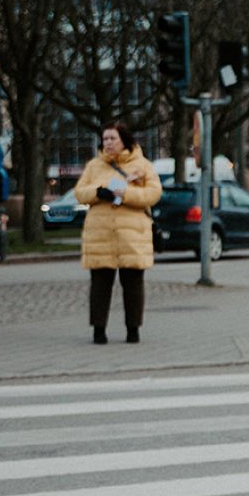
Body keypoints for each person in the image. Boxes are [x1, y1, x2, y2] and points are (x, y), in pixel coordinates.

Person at [74, 122, 162, 344]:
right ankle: (98, 330)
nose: (108, 143)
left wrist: (125, 193)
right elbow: (80, 192)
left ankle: (133, 329)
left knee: (133, 285)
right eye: (105, 139)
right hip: (100, 234)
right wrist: (98, 192)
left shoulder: (142, 165)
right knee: (99, 285)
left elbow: (153, 194)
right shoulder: (94, 166)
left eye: (113, 138)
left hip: (132, 235)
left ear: (124, 140)